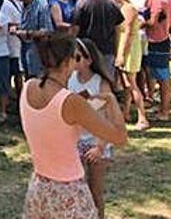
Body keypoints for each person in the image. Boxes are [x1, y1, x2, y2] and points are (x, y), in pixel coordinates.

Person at [20, 33, 127, 219]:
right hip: (68, 190)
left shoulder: (28, 87)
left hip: (39, 186)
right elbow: (119, 137)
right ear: (67, 62)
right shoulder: (70, 101)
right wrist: (112, 102)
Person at [67, 38, 117, 219]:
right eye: (71, 57)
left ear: (89, 60)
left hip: (97, 142)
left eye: (77, 57)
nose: (73, 61)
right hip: (77, 142)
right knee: (77, 190)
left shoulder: (101, 83)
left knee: (95, 191)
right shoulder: (70, 80)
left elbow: (108, 120)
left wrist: (100, 147)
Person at [71, 0, 124, 77]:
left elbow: (75, 29)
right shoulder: (111, 3)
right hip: (107, 51)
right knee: (106, 83)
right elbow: (118, 29)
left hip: (86, 51)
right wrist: (117, 51)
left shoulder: (81, 3)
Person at [111, 0, 149, 131]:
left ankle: (142, 117)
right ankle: (125, 113)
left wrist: (121, 54)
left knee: (132, 84)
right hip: (124, 45)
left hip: (129, 48)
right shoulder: (122, 7)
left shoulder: (128, 9)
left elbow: (127, 32)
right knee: (126, 84)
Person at [143, 0, 171, 121]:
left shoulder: (160, 0)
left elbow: (153, 22)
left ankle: (165, 111)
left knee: (163, 78)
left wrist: (139, 22)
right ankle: (160, 107)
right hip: (154, 40)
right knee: (156, 75)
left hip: (159, 41)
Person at [16, 0, 53, 78]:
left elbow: (47, 31)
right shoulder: (21, 3)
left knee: (36, 79)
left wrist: (27, 33)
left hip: (37, 50)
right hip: (23, 47)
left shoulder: (41, 4)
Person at [0, 0, 24, 99]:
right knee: (15, 73)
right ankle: (12, 97)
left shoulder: (15, 2)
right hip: (11, 43)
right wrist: (20, 28)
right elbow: (7, 23)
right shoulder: (5, 4)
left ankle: (17, 97)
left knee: (18, 72)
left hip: (17, 43)